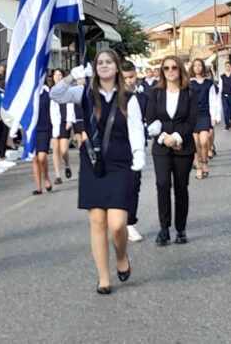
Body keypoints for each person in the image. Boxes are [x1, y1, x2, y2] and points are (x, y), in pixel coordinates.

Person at [50, 50, 145, 295]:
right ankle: (104, 277)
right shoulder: (84, 93)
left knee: (117, 224)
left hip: (120, 163)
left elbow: (136, 131)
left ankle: (122, 256)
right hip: (93, 163)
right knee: (97, 221)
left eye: (108, 62)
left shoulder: (128, 97)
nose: (104, 66)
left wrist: (138, 157)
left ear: (116, 68)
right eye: (99, 62)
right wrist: (72, 76)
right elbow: (56, 94)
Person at [145, 56, 198, 246]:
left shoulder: (190, 93)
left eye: (174, 67)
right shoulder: (155, 93)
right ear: (162, 71)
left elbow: (191, 121)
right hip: (161, 146)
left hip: (183, 146)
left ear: (180, 69)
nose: (170, 71)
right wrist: (164, 138)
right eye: (166, 68)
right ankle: (164, 228)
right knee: (162, 184)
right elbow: (150, 119)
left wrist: (176, 137)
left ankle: (181, 228)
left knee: (181, 187)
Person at [120, 61, 146, 243]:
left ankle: (129, 223)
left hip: (134, 147)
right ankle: (118, 222)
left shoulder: (142, 94)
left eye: (131, 77)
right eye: (125, 78)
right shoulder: (114, 97)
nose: (129, 81)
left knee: (133, 186)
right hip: (117, 147)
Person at [188, 59, 220, 179]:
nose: (197, 68)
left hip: (205, 115)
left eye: (199, 65)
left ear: (203, 67)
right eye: (195, 66)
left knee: (204, 141)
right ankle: (199, 167)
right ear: (192, 68)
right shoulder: (188, 83)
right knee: (195, 143)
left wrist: (215, 116)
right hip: (192, 116)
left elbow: (214, 100)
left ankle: (205, 161)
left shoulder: (208, 83)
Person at [49, 69, 74, 185]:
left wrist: (70, 120)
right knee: (55, 149)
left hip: (65, 122)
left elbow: (71, 105)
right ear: (53, 77)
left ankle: (67, 165)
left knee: (63, 150)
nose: (58, 77)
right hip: (54, 123)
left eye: (60, 75)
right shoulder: (50, 91)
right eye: (56, 75)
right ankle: (58, 175)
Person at [31, 78, 54, 195]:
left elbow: (53, 111)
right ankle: (38, 187)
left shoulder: (47, 92)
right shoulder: (27, 93)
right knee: (34, 158)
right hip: (31, 129)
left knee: (42, 157)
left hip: (44, 128)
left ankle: (46, 177)